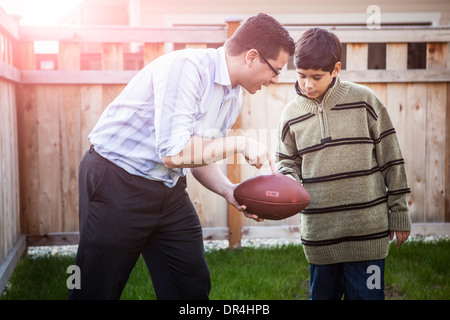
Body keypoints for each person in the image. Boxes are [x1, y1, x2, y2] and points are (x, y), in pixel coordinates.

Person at [67, 13, 295, 300]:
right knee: (95, 287)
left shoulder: (233, 94)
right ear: (251, 57)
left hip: (169, 190)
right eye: (276, 70)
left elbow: (196, 153)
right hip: (116, 180)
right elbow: (174, 152)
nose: (275, 80)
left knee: (190, 287)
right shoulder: (186, 68)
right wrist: (239, 142)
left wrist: (229, 190)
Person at [276, 27, 411, 300]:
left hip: (367, 235)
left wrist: (399, 211)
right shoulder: (290, 115)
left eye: (316, 77)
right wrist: (289, 182)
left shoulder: (365, 101)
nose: (307, 84)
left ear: (336, 69)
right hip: (320, 236)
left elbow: (391, 159)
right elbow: (286, 163)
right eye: (301, 76)